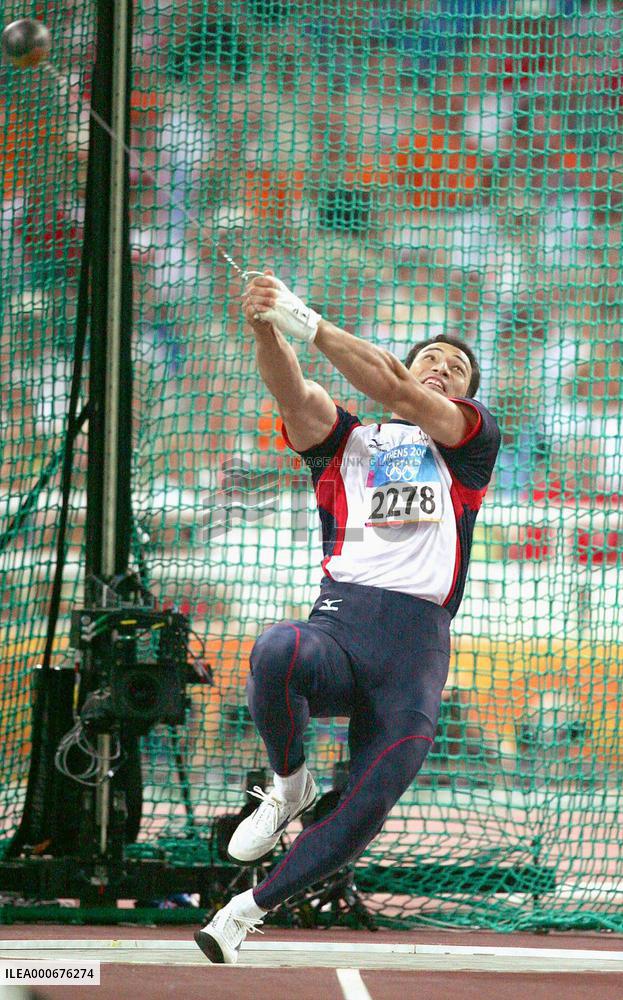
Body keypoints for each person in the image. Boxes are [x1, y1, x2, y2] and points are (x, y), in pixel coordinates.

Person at [194, 271, 501, 963]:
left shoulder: (469, 445)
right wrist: (264, 325)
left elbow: (395, 386)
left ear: (462, 394)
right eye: (433, 359)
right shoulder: (347, 441)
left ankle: (243, 912)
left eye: (456, 369)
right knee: (275, 649)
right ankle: (287, 783)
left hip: (414, 656)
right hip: (339, 625)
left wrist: (302, 316)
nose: (442, 370)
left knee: (370, 797)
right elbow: (291, 391)